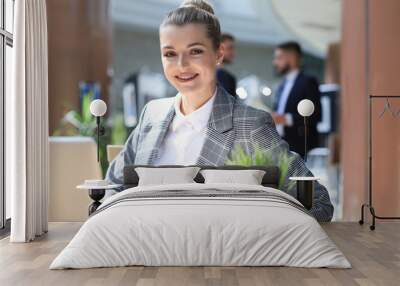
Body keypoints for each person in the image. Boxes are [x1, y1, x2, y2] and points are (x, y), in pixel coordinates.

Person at [106, 0, 333, 222]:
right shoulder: (152, 114)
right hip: (143, 253)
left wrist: (254, 228)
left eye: (195, 51)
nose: (182, 65)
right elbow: (111, 188)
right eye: (170, 53)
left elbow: (319, 203)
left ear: (219, 54)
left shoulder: (250, 125)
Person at [271, 41, 322, 158]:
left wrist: (286, 119)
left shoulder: (308, 82)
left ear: (292, 58)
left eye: (279, 57)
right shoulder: (281, 85)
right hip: (280, 145)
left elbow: (316, 115)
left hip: (301, 146)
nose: (275, 62)